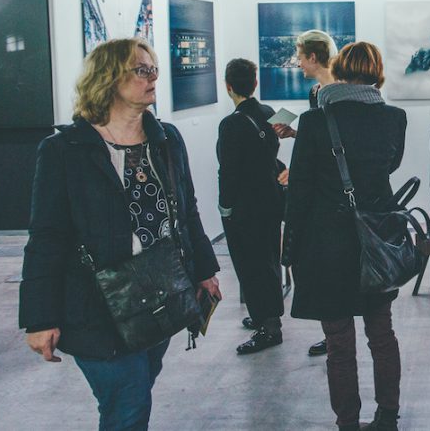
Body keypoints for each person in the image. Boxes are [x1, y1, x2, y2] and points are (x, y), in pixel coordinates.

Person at [19, 38, 221, 430]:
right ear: (109, 78)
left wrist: (204, 271)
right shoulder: (66, 150)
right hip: (98, 305)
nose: (153, 78)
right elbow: (46, 237)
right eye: (141, 70)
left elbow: (186, 210)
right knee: (128, 404)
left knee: (136, 393)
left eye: (154, 69)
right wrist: (39, 317)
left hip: (161, 293)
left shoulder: (166, 139)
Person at [284, 41, 407, 431]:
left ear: (338, 70)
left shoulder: (315, 121)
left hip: (327, 242)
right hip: (376, 239)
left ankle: (347, 423)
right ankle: (387, 415)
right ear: (377, 73)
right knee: (381, 333)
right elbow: (390, 165)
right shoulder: (395, 118)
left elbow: (300, 189)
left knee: (339, 342)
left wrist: (289, 251)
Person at [274, 29, 338, 358]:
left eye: (300, 56)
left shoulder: (339, 91)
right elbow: (323, 142)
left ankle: (338, 334)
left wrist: (297, 173)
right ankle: (333, 334)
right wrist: (296, 133)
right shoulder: (316, 93)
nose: (297, 63)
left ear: (313, 57)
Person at [218, 58, 287, 354]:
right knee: (268, 257)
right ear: (255, 83)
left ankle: (269, 327)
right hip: (272, 197)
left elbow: (228, 170)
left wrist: (225, 206)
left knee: (251, 264)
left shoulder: (231, 124)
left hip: (247, 204)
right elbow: (273, 151)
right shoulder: (269, 113)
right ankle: (265, 315)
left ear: (228, 86)